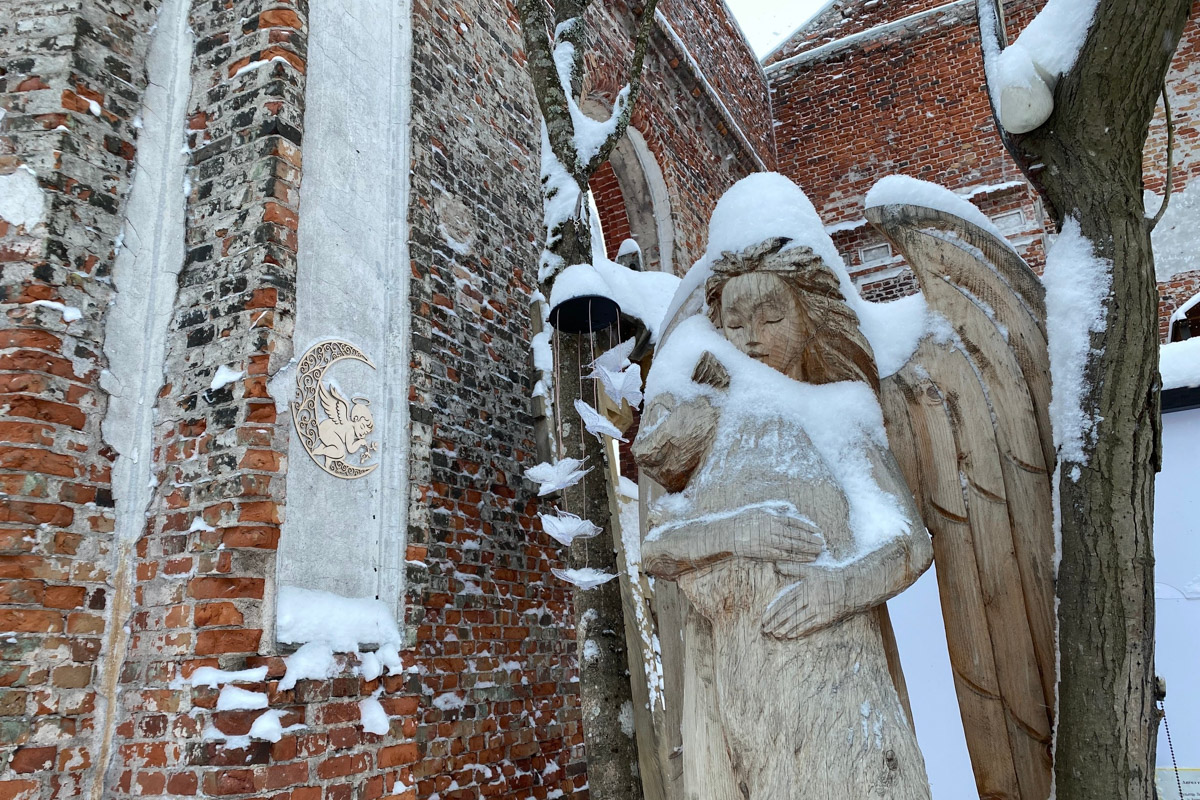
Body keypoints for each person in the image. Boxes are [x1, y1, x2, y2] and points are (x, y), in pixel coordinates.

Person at [633, 237, 933, 800]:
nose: (752, 337)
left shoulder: (836, 413)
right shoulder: (713, 425)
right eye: (735, 322)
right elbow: (657, 546)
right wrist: (733, 531)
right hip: (747, 704)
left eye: (771, 316)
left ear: (805, 318)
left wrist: (839, 589)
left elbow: (908, 542)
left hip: (840, 696)